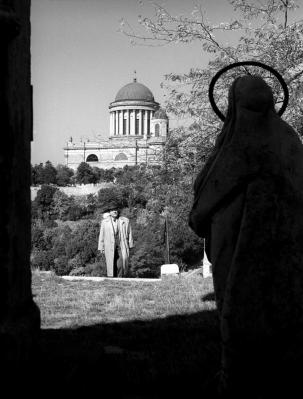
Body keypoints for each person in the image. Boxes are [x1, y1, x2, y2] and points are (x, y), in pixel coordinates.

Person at [189, 75, 303, 397]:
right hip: (287, 246)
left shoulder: (237, 144)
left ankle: (239, 381)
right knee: (283, 308)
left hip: (238, 248)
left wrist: (199, 219)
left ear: (232, 106)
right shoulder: (289, 140)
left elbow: (207, 198)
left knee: (239, 311)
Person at [98, 201, 134, 277]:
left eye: (116, 210)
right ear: (110, 212)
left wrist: (130, 244)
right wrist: (101, 247)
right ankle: (112, 278)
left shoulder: (125, 221)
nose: (115, 211)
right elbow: (102, 235)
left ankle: (120, 278)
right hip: (109, 246)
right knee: (111, 263)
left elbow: (129, 233)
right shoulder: (104, 222)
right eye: (112, 210)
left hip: (122, 245)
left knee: (121, 263)